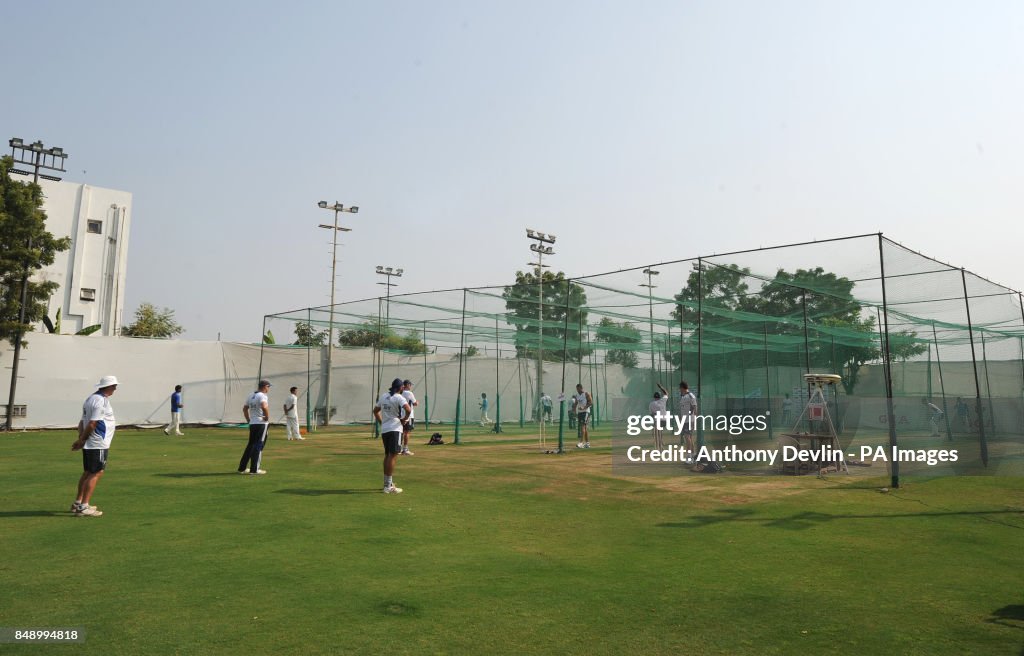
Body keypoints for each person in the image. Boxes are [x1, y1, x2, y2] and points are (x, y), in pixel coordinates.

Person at [70, 375, 119, 517]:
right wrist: (82, 440)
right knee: (96, 472)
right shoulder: (100, 401)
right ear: (108, 386)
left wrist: (81, 439)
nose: (115, 388)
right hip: (98, 442)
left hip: (91, 441)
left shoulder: (90, 398)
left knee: (88, 472)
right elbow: (92, 423)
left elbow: (82, 422)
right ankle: (84, 506)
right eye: (114, 386)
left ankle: (78, 503)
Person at [373, 378, 412, 494]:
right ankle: (388, 487)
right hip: (395, 429)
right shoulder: (399, 397)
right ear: (401, 388)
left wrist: (382, 423)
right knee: (393, 456)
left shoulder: (384, 396)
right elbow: (408, 409)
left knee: (387, 455)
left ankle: (387, 484)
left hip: (385, 430)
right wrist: (404, 419)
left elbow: (375, 411)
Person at [238, 380, 271, 475]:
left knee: (250, 445)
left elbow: (244, 409)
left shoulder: (251, 395)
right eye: (268, 387)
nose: (269, 389)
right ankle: (255, 469)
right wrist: (267, 417)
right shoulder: (263, 396)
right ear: (265, 386)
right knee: (259, 445)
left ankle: (242, 468)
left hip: (253, 423)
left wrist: (248, 420)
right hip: (261, 423)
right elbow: (264, 407)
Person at [678, 381, 698, 463]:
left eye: (680, 388)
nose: (679, 390)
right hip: (685, 420)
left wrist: (690, 416)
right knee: (689, 438)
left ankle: (689, 457)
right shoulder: (683, 397)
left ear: (682, 387)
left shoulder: (690, 395)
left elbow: (694, 407)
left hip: (689, 420)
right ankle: (693, 455)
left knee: (687, 438)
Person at [572, 383, 593, 448]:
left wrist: (584, 407)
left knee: (582, 426)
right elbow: (575, 403)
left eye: (578, 389)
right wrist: (574, 411)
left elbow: (590, 403)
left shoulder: (586, 394)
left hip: (586, 412)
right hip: (580, 412)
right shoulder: (577, 395)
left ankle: (581, 442)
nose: (577, 390)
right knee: (584, 428)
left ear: (581, 388)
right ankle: (587, 443)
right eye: (577, 389)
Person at [401, 379, 418, 455]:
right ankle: (405, 449)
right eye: (410, 385)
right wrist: (417, 402)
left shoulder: (399, 392)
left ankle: (398, 448)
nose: (410, 386)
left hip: (401, 415)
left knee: (401, 432)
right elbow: (415, 403)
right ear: (407, 385)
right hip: (409, 415)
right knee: (407, 432)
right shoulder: (409, 393)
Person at [649, 383, 669, 450]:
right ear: (660, 397)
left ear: (654, 397)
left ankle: (658, 448)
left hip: (658, 420)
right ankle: (661, 444)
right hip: (664, 420)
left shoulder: (651, 404)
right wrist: (661, 387)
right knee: (660, 432)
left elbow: (651, 414)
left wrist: (654, 415)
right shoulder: (663, 400)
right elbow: (666, 393)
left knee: (656, 433)